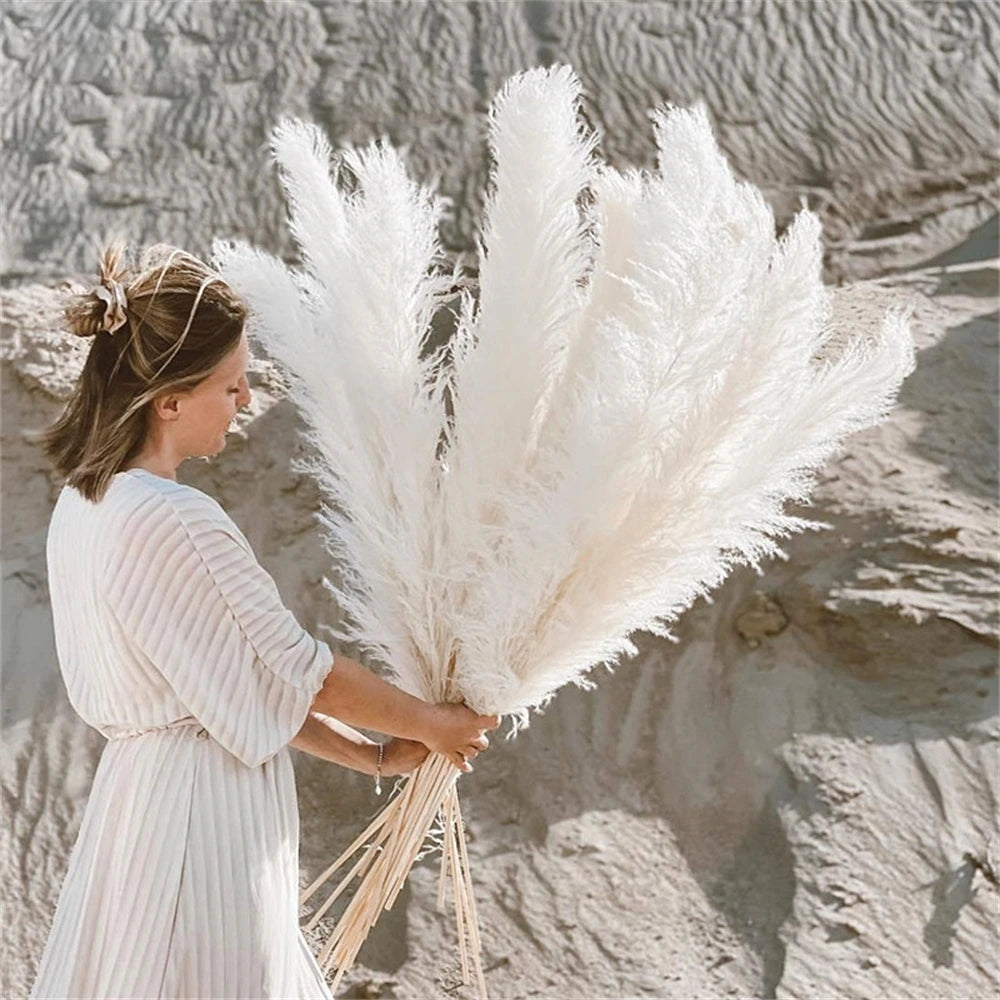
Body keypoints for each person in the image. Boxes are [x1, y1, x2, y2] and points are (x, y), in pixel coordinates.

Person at [28, 239, 499, 999]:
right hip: (200, 816)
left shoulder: (84, 505)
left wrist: (377, 757)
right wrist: (430, 721)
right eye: (232, 385)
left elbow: (238, 687)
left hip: (133, 809)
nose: (245, 401)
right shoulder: (176, 517)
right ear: (169, 399)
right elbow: (297, 669)